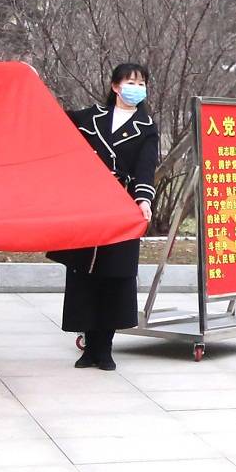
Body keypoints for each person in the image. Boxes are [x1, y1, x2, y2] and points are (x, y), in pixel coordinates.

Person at [48, 62, 160, 371]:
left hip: (120, 207)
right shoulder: (89, 118)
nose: (135, 88)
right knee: (84, 275)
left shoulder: (146, 126)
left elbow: (145, 168)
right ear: (115, 86)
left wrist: (143, 200)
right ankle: (88, 347)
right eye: (129, 82)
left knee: (115, 276)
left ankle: (105, 347)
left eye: (141, 83)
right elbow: (51, 121)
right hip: (87, 205)